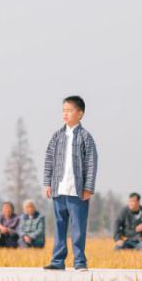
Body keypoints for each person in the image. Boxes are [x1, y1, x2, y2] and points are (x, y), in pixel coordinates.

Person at [43, 95, 98, 271]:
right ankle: (57, 261)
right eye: (63, 110)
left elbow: (91, 163)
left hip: (77, 191)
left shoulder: (85, 137)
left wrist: (88, 187)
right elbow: (49, 160)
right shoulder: (57, 136)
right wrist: (47, 183)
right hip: (59, 189)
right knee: (59, 226)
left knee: (78, 228)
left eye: (69, 110)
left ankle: (80, 261)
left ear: (80, 114)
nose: (65, 114)